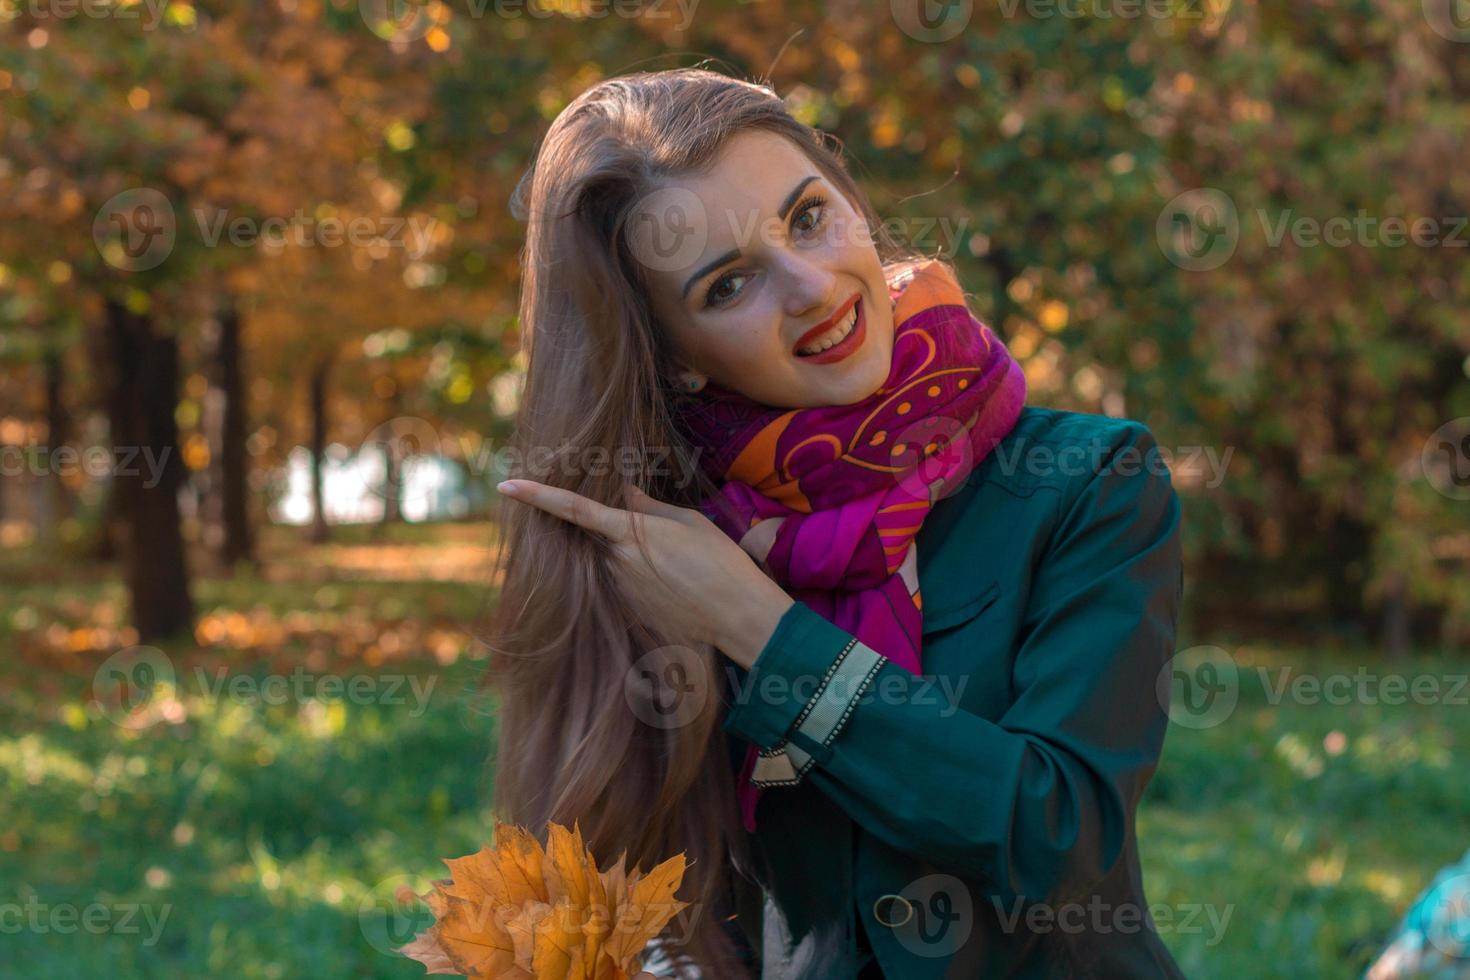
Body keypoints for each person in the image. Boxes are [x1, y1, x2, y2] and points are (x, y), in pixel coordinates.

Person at [487, 67, 1187, 978]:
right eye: (729, 285)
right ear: (671, 359)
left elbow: (1061, 839)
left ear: (853, 203)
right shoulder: (675, 540)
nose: (812, 287)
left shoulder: (1086, 481)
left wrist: (760, 631)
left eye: (809, 217)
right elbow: (664, 891)